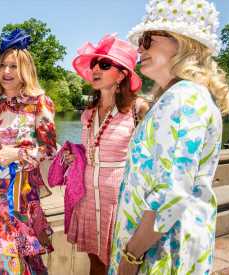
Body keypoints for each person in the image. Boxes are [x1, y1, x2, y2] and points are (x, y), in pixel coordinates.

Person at [108, 0, 229, 274]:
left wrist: (131, 258)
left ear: (181, 42)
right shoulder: (182, 96)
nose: (139, 48)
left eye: (147, 39)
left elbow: (171, 193)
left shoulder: (184, 97)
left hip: (159, 254)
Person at [0, 29, 57, 275]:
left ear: (25, 69)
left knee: (18, 255)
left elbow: (49, 149)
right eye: (3, 65)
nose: (6, 72)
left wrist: (16, 154)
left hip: (20, 195)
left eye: (14, 66)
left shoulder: (40, 102)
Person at [65, 34, 147, 274]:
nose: (96, 69)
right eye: (94, 65)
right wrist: (76, 156)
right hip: (89, 198)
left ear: (122, 74)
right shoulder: (87, 114)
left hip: (118, 199)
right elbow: (92, 150)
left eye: (104, 64)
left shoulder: (138, 109)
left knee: (121, 262)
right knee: (96, 264)